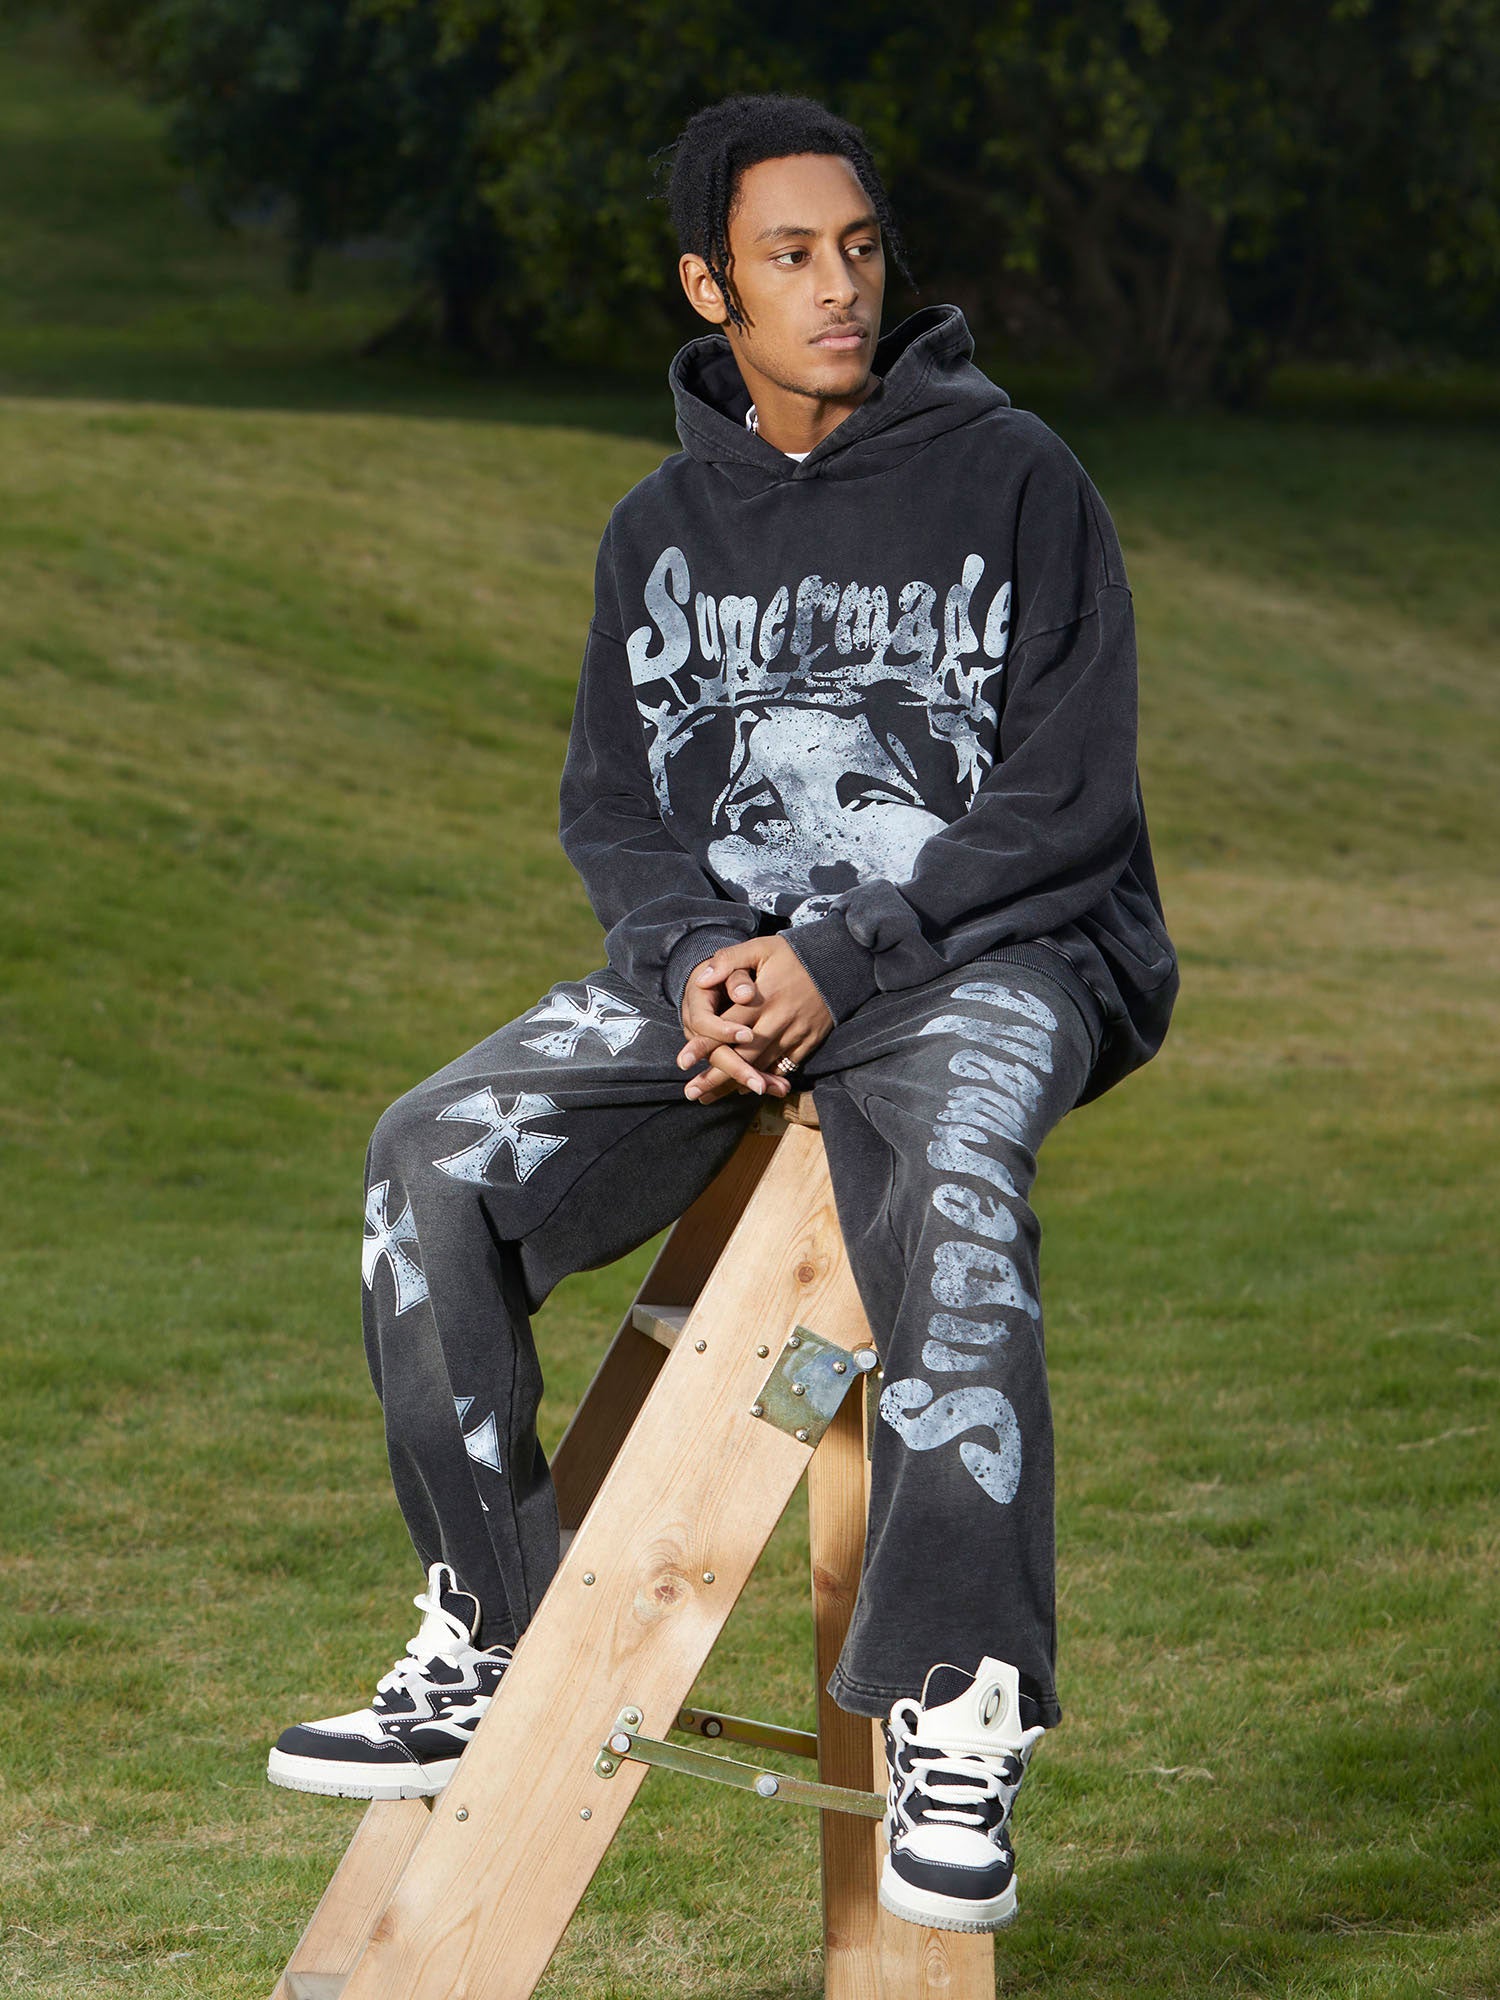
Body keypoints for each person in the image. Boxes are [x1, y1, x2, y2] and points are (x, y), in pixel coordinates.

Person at [266, 92, 1177, 1935]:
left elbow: (1069, 802)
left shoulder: (1019, 478)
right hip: (736, 979)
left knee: (958, 1184)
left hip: (987, 959)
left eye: (860, 248)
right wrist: (695, 959)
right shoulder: (660, 530)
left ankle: (960, 1704)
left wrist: (850, 955)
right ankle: (492, 1628)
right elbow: (615, 808)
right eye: (790, 256)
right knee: (427, 1158)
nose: (840, 287)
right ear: (711, 285)